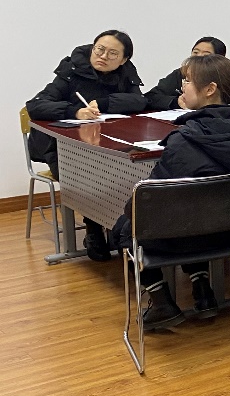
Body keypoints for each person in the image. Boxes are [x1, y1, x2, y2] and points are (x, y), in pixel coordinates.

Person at [112, 54, 230, 329]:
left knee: (124, 227)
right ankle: (202, 290)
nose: (182, 86)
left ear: (210, 89)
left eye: (187, 81)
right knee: (192, 211)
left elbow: (148, 203)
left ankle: (162, 303)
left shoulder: (185, 139)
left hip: (191, 235)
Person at [26, 30, 147, 260]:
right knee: (90, 174)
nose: (103, 56)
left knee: (123, 170)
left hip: (106, 144)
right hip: (62, 148)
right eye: (99, 49)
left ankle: (118, 226)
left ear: (123, 60)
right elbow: (36, 105)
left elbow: (139, 101)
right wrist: (75, 111)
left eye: (112, 54)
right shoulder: (73, 69)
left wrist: (104, 103)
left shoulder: (125, 73)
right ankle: (93, 227)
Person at [144, 36, 227, 111]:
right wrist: (176, 102)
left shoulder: (225, 75)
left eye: (206, 55)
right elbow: (151, 97)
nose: (198, 57)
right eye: (195, 52)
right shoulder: (182, 72)